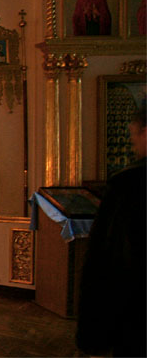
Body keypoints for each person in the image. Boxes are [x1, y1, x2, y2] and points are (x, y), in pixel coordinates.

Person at [77, 106, 146, 357]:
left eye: (134, 135)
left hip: (134, 305)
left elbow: (106, 255)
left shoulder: (129, 184)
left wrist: (92, 329)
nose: (133, 142)